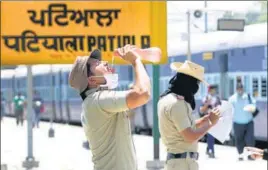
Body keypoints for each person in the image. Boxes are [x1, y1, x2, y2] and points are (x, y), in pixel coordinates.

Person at [68, 45, 151, 170]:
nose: (105, 63)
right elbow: (143, 94)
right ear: (92, 80)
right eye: (97, 63)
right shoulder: (98, 100)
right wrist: (136, 61)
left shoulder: (94, 101)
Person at [158, 60, 220, 170]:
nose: (196, 87)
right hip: (183, 163)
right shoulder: (177, 104)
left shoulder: (166, 99)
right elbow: (189, 136)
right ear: (189, 82)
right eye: (196, 83)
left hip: (177, 162)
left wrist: (205, 119)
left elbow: (182, 127)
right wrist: (210, 123)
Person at [228, 83, 256, 161]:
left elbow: (254, 105)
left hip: (248, 122)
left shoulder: (248, 96)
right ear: (236, 89)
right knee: (239, 139)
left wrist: (252, 108)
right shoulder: (232, 99)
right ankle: (240, 154)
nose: (240, 90)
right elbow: (229, 109)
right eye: (238, 89)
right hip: (237, 122)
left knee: (250, 139)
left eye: (241, 88)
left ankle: (250, 155)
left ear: (243, 89)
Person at [199, 85, 221, 158]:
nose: (213, 91)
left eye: (214, 90)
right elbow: (201, 110)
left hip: (214, 118)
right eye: (212, 90)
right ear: (209, 90)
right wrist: (207, 103)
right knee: (210, 135)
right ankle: (212, 151)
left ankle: (209, 149)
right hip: (207, 118)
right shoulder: (205, 98)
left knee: (211, 135)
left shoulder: (217, 99)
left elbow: (219, 108)